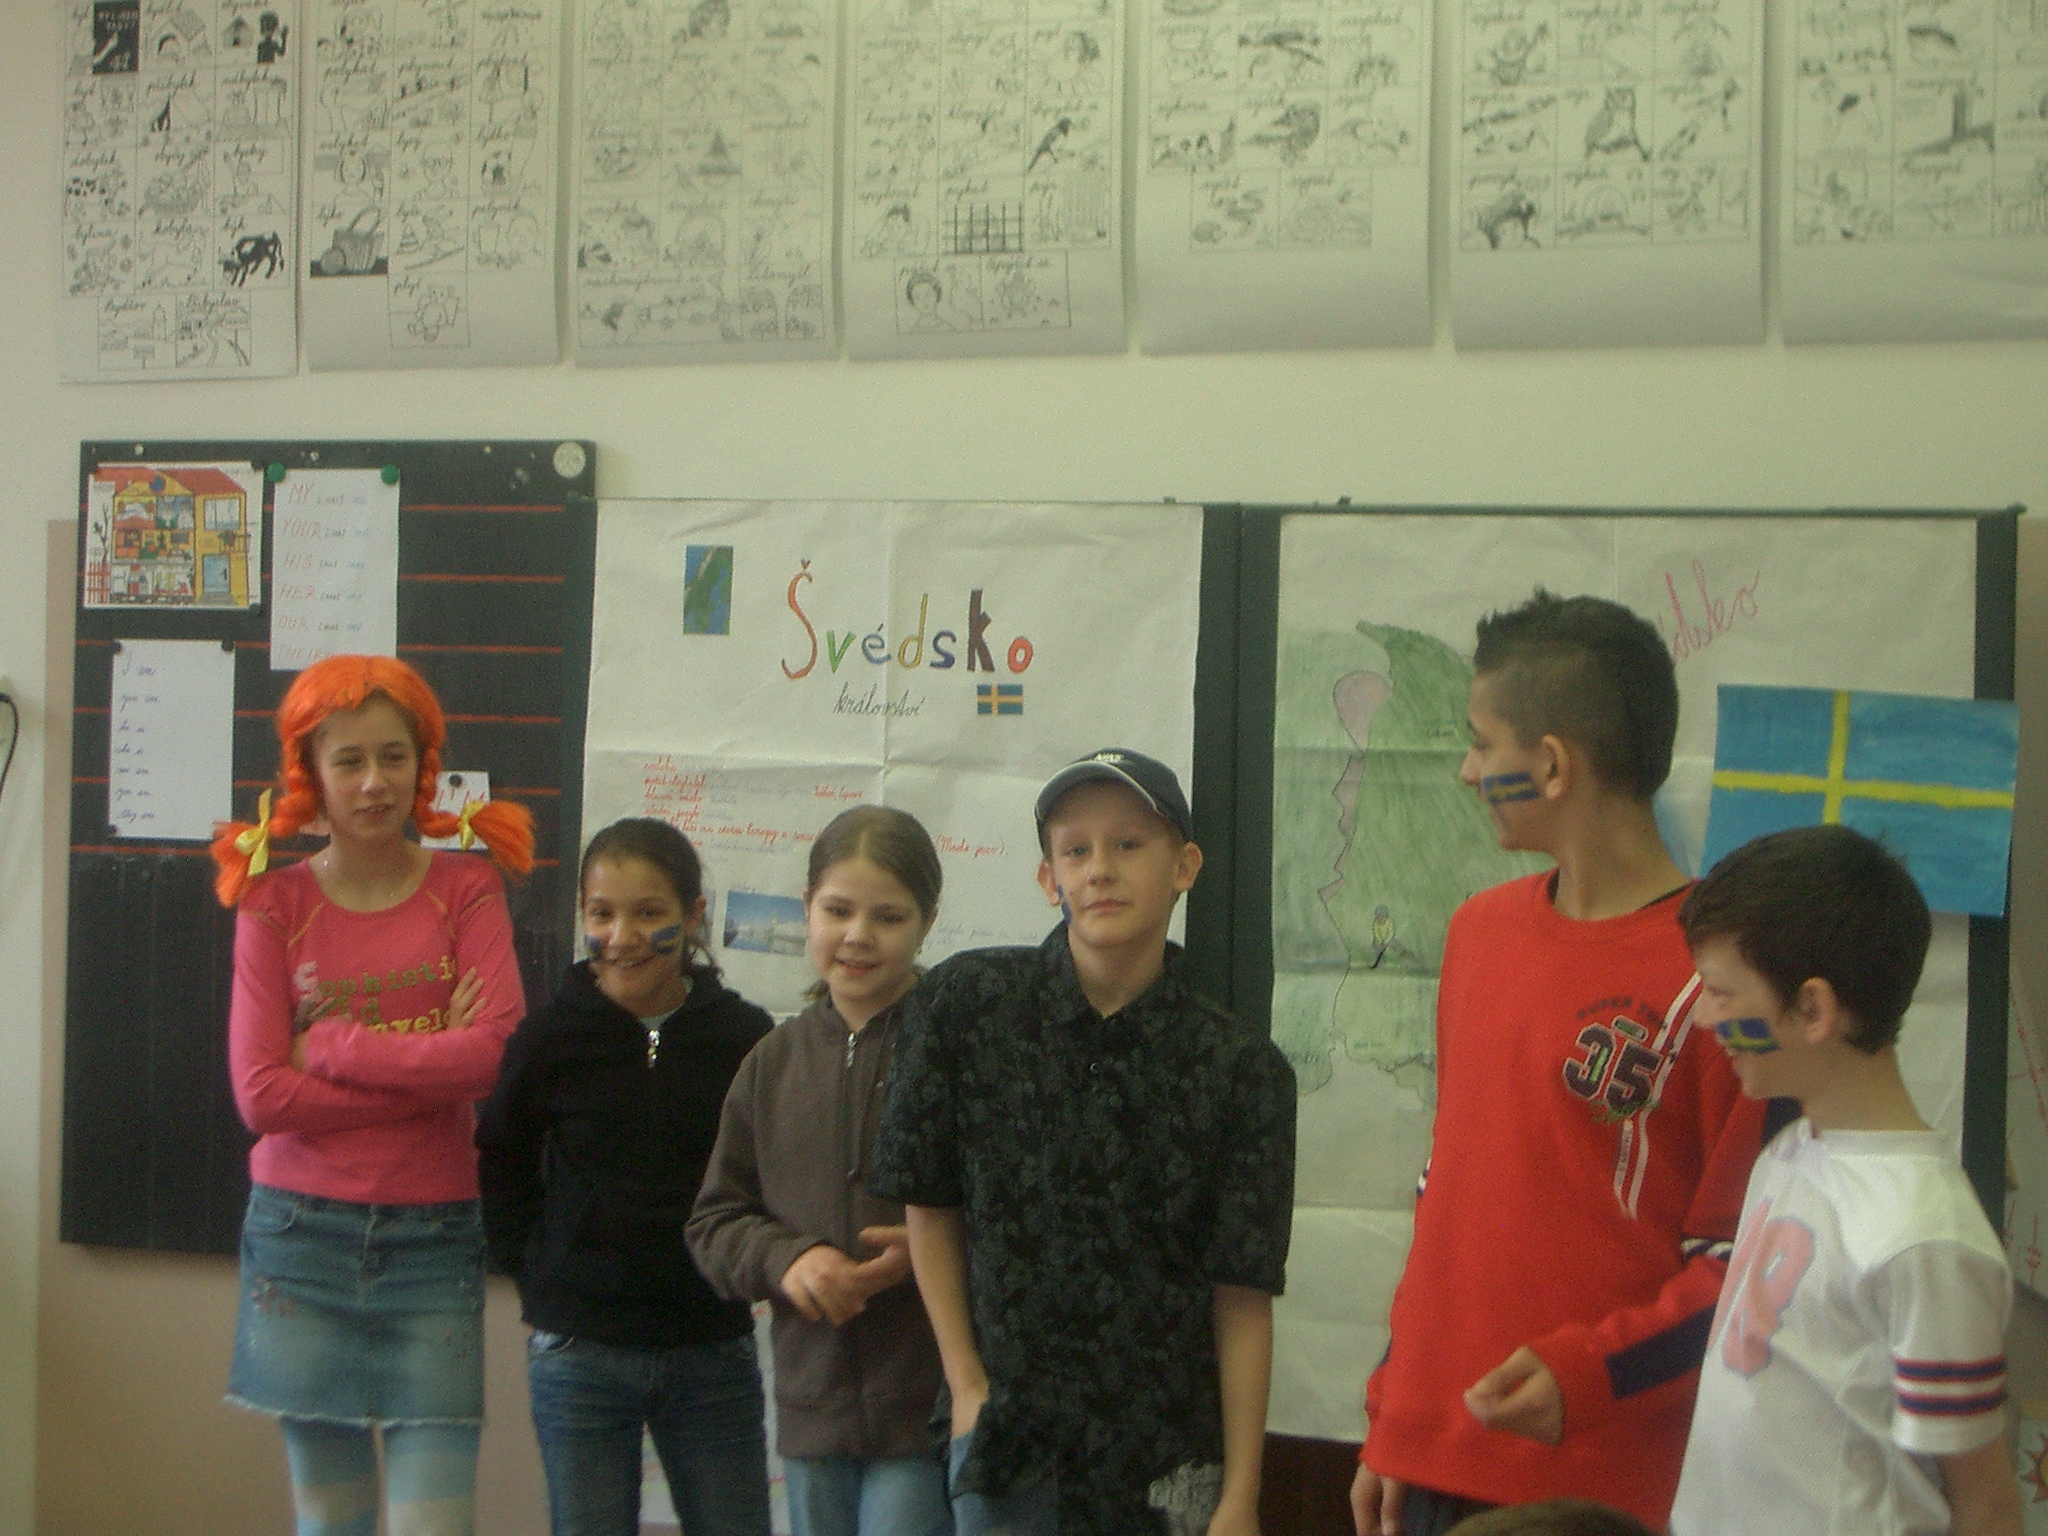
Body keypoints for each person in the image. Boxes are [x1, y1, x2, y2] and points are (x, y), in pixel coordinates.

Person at [1352, 592, 1769, 1536]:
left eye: (1481, 743)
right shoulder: (1478, 933)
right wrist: (1395, 1411)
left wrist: (1594, 1375)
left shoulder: (1726, 976)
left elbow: (1744, 1269)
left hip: (1602, 1489)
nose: (1467, 769)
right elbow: (1447, 1195)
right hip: (1431, 1461)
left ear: (1550, 764)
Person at [871, 749, 1297, 1536]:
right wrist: (967, 1384)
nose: (1100, 869)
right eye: (1076, 850)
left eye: (1129, 844)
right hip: (1007, 1446)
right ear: (1049, 879)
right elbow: (928, 1204)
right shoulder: (966, 1005)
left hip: (1166, 1461)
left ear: (1184, 866)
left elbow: (1242, 1295)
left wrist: (1243, 1493)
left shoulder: (1242, 1070)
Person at [211, 654, 535, 1536]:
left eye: (394, 756)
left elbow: (494, 1058)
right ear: (310, 774)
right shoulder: (272, 904)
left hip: (434, 1240)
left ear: (423, 765)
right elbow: (261, 1097)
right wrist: (430, 1063)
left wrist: (332, 1047)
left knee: (436, 1525)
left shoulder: (467, 888)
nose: (373, 782)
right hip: (299, 1240)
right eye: (348, 760)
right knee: (332, 1524)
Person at [1668, 825, 2022, 1536]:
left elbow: (1983, 1498)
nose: (1702, 1017)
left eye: (1721, 993)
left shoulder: (1923, 1236)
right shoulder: (1791, 1151)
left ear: (1814, 1011)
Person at [476, 819, 773, 1536]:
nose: (622, 936)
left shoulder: (744, 1037)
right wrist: (542, 1278)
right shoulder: (549, 1037)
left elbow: (770, 1172)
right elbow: (501, 1162)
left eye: (649, 914)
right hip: (580, 1351)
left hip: (710, 1344)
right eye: (602, 914)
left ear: (693, 916)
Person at [689, 805, 952, 1536]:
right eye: (837, 911)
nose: (858, 935)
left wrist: (930, 1249)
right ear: (806, 909)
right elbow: (714, 1221)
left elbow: (1018, 1211)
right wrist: (788, 1259)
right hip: (812, 1411)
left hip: (927, 1404)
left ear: (927, 923)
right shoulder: (771, 1063)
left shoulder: (957, 1053)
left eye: (888, 917)